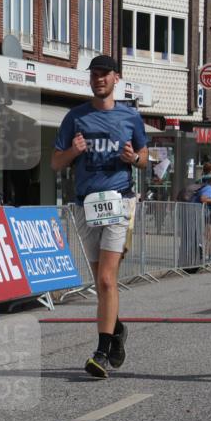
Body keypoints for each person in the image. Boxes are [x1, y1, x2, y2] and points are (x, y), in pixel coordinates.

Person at [51, 55, 149, 379]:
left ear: (116, 78)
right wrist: (74, 152)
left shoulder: (130, 117)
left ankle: (102, 352)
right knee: (100, 284)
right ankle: (117, 329)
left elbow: (146, 158)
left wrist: (133, 158)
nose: (99, 79)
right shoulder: (75, 117)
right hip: (85, 205)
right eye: (94, 74)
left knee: (108, 279)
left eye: (104, 74)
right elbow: (55, 163)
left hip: (118, 202)